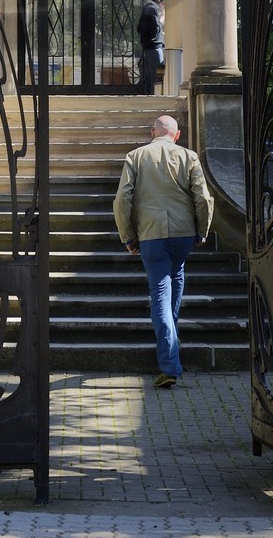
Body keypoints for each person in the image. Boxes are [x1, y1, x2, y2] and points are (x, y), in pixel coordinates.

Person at [112, 113, 214, 388]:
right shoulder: (189, 156)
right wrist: (202, 230)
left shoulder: (136, 156)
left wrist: (127, 235)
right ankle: (172, 336)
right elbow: (203, 197)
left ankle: (169, 365)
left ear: (153, 132)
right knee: (176, 274)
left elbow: (123, 198)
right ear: (176, 135)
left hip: (151, 233)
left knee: (159, 290)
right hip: (183, 233)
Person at [137, 0, 165, 93]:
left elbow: (140, 28)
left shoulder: (147, 8)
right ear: (161, 1)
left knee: (148, 77)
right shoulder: (153, 9)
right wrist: (161, 21)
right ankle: (156, 98)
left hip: (148, 47)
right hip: (154, 47)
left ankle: (148, 97)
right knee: (157, 77)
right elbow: (155, 28)